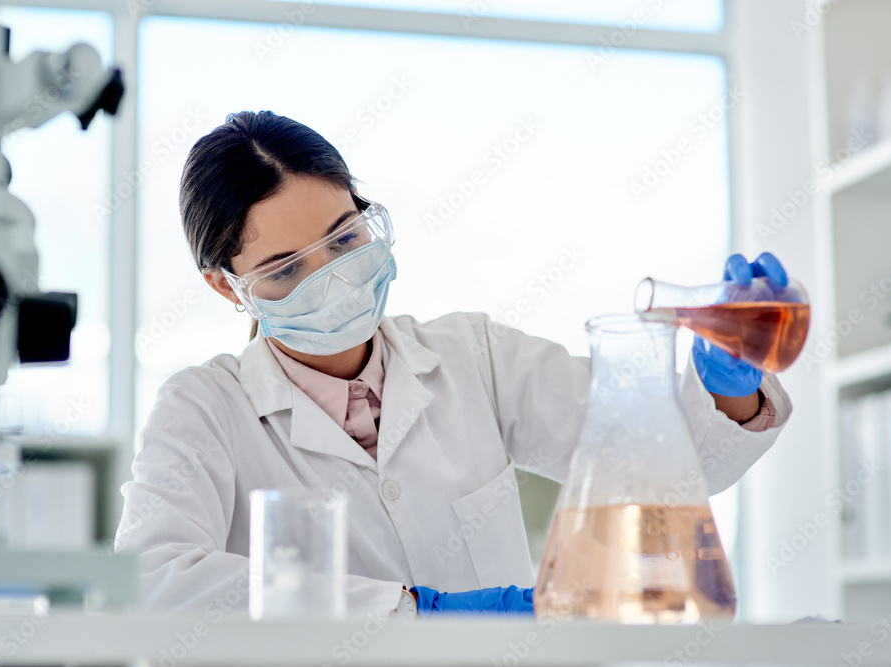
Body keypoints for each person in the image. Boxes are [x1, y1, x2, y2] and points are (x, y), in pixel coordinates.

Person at [114, 110, 793, 617]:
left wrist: (724, 385)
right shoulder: (205, 409)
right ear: (224, 285)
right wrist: (409, 609)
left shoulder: (476, 357)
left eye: (345, 238)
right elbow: (150, 580)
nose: (334, 279)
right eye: (286, 270)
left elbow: (666, 470)